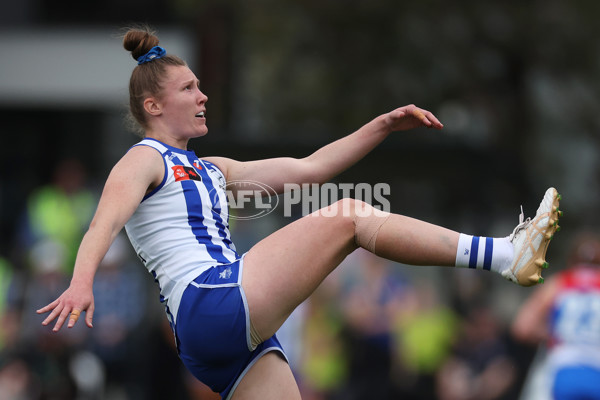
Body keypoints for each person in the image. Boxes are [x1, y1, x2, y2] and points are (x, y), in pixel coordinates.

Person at [37, 27, 562, 400]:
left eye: (199, 84)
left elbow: (308, 170)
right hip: (209, 302)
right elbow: (102, 223)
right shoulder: (144, 158)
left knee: (342, 209)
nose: (202, 94)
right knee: (351, 215)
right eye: (188, 88)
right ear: (153, 107)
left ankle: (508, 256)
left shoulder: (209, 168)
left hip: (218, 337)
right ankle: (505, 255)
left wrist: (379, 126)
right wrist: (81, 282)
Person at [512, 234, 600, 400]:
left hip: (561, 368)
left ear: (571, 261)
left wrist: (552, 332)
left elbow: (522, 328)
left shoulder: (559, 283)